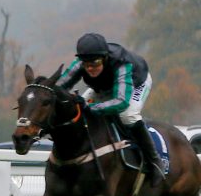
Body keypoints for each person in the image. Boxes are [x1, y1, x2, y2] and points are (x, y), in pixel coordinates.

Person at [56, 32, 163, 187]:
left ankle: (155, 162)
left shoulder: (121, 63)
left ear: (105, 58)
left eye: (96, 63)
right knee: (79, 111)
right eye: (86, 64)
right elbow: (59, 86)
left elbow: (120, 102)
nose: (91, 68)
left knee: (127, 116)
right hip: (105, 86)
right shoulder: (81, 62)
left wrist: (91, 107)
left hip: (135, 83)